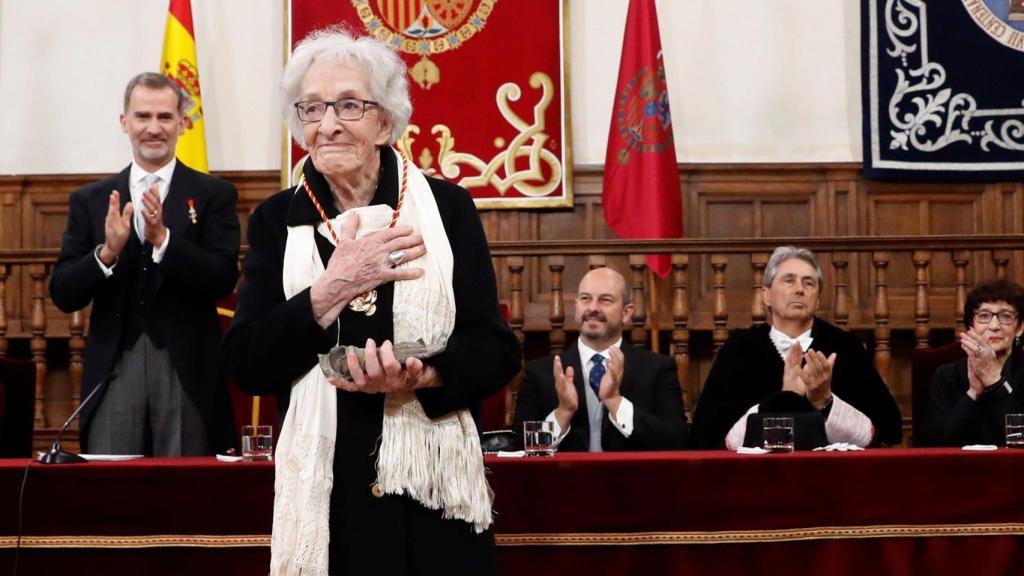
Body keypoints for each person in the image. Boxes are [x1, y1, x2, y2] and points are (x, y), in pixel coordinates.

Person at [221, 27, 521, 576]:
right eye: (312, 108)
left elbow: (495, 351)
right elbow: (247, 363)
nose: (328, 123)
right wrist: (331, 288)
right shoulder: (276, 220)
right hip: (333, 496)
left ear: (385, 122)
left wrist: (423, 375)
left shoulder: (447, 209)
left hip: (433, 497)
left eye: (348, 105)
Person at [49, 72, 240, 456]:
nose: (154, 128)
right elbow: (63, 293)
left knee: (187, 489)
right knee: (111, 487)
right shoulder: (91, 200)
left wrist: (163, 241)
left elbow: (222, 278)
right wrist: (107, 253)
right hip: (115, 370)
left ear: (182, 123)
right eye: (143, 116)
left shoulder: (213, 194)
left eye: (165, 117)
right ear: (125, 122)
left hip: (187, 372)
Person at [690, 246, 902, 450]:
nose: (800, 289)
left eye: (809, 283)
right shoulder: (738, 350)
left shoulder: (845, 348)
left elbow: (885, 431)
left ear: (817, 300)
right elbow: (709, 436)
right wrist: (783, 399)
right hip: (756, 472)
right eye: (789, 280)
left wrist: (825, 401)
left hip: (832, 470)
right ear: (766, 295)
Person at [512, 267, 688, 451]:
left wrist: (615, 401)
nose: (593, 308)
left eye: (605, 300)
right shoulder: (539, 373)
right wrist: (563, 412)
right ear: (576, 305)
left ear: (627, 313)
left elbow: (677, 441)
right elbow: (519, 449)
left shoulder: (658, 369)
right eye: (585, 298)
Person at [920, 280, 1024, 446]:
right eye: (984, 316)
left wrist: (995, 382)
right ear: (971, 325)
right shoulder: (946, 376)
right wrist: (973, 393)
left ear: (1019, 328)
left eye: (1006, 316)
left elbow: (1019, 438)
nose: (994, 326)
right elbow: (932, 444)